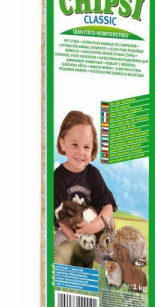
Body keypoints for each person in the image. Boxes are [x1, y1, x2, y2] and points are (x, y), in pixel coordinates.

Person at [54, 111, 117, 263]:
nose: (81, 152)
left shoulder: (93, 174)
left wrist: (93, 227)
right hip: (69, 231)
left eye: (86, 147)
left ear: (93, 149)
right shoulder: (58, 176)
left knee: (107, 246)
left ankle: (104, 259)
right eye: (74, 145)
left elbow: (108, 207)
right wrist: (73, 237)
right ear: (62, 143)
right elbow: (59, 217)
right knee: (60, 244)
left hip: (94, 229)